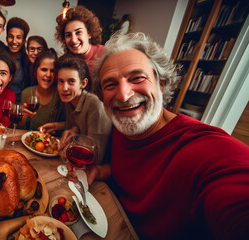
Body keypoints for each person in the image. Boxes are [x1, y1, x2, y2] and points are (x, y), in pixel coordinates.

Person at [67, 32, 249, 239]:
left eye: (137, 78)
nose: (124, 95)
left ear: (161, 84)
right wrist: (99, 171)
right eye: (110, 84)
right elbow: (131, 170)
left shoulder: (207, 149)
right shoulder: (122, 127)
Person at [42, 56, 111, 162]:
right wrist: (58, 126)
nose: (64, 88)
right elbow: (77, 125)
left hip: (94, 169)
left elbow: (95, 152)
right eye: (61, 81)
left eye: (71, 81)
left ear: (83, 83)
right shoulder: (70, 99)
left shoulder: (95, 105)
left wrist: (73, 140)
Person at [55, 5, 105, 99]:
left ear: (89, 33)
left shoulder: (105, 54)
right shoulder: (65, 61)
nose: (73, 40)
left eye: (78, 32)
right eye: (68, 35)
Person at [19, 48, 65, 131]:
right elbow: (21, 127)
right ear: (35, 71)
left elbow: (70, 123)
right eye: (44, 70)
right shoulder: (26, 93)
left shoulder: (60, 94)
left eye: (52, 71)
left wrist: (57, 126)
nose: (48, 75)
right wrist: (23, 116)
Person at [5, 17, 31, 102]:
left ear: (24, 41)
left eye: (18, 37)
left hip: (19, 105)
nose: (14, 41)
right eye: (11, 36)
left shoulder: (27, 61)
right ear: (6, 38)